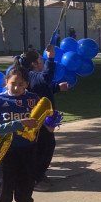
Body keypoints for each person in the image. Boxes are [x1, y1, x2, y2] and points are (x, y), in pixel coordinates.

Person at [0, 66, 41, 202]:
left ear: (26, 84)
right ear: (6, 82)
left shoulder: (34, 99)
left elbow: (43, 117)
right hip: (5, 148)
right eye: (13, 83)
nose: (17, 87)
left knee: (26, 179)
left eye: (21, 84)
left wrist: (50, 122)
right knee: (4, 181)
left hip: (28, 147)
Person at [15, 45, 68, 191]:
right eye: (41, 59)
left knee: (46, 146)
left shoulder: (32, 76)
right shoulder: (31, 75)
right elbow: (45, 78)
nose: (43, 61)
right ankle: (35, 178)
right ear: (34, 63)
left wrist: (57, 87)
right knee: (42, 148)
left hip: (43, 118)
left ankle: (39, 174)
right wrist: (51, 58)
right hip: (37, 119)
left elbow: (43, 88)